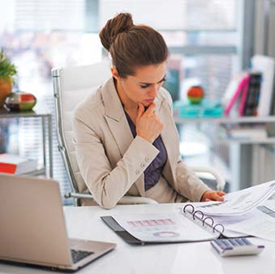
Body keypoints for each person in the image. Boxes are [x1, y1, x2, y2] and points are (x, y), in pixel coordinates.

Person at [72, 13, 225, 209]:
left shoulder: (162, 99)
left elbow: (173, 163)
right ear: (116, 74)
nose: (155, 92)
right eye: (144, 85)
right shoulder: (87, 116)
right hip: (126, 210)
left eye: (161, 81)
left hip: (172, 205)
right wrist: (143, 140)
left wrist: (201, 192)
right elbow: (104, 195)